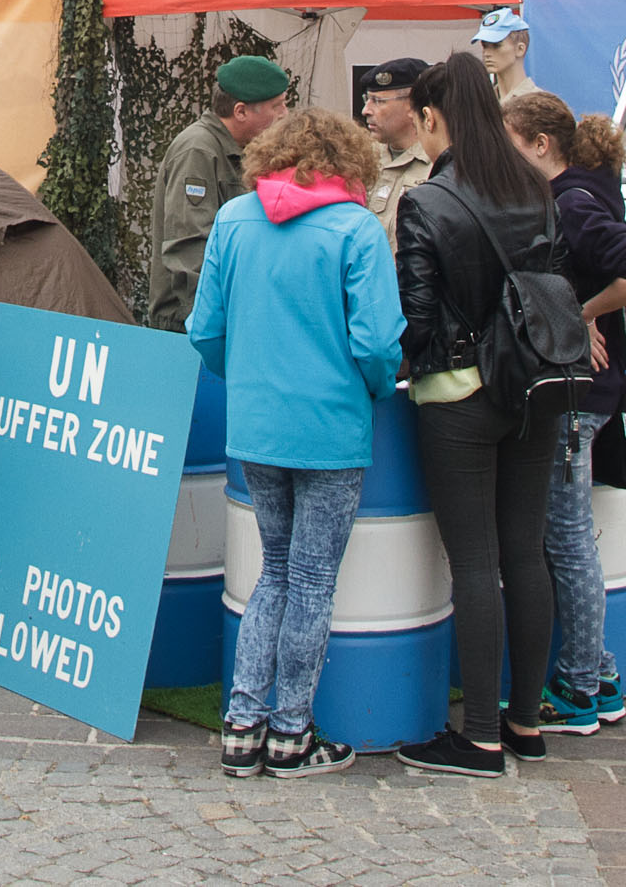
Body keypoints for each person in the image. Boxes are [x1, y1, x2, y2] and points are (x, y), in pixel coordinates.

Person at [188, 108, 405, 779]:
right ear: (350, 162)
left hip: (256, 425)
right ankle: (290, 732)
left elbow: (206, 329)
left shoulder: (232, 219)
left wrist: (247, 377)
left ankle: (242, 724)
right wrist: (370, 385)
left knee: (273, 573)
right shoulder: (356, 230)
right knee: (311, 581)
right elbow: (377, 343)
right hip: (332, 427)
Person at [393, 52, 566, 778]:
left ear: (433, 118)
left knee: (474, 561)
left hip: (459, 394)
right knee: (526, 552)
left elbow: (419, 316)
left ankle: (480, 737)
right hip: (537, 386)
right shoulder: (535, 184)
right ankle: (526, 721)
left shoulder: (428, 202)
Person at [503, 91, 626, 735]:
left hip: (580, 393)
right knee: (567, 535)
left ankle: (578, 684)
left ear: (541, 145)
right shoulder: (582, 192)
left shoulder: (571, 201)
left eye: (512, 144)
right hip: (588, 388)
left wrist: (582, 315)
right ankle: (595, 673)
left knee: (566, 538)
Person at [147, 55, 290, 333]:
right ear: (240, 111)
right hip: (191, 323)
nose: (285, 113)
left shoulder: (237, 148)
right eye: (277, 105)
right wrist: (210, 324)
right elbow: (189, 247)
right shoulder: (199, 150)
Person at [358, 57, 432, 252]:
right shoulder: (362, 158)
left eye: (378, 101)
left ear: (412, 105)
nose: (366, 110)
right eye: (367, 99)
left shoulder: (439, 163)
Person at [471, 9, 537, 103]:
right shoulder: (483, 102)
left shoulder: (539, 105)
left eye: (496, 45)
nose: (486, 53)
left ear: (520, 49)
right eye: (485, 45)